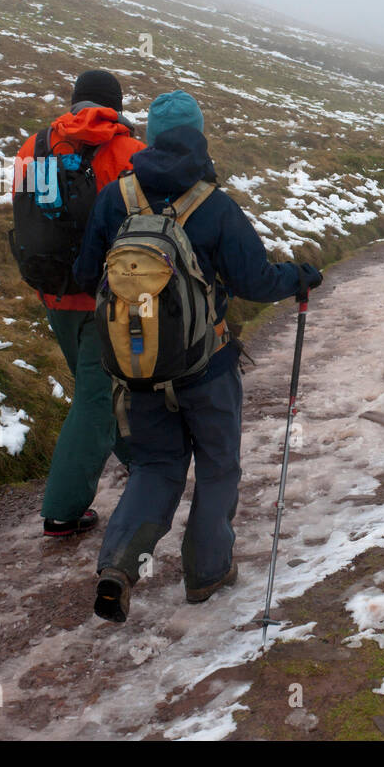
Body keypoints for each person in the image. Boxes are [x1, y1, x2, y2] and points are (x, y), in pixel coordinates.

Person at [73, 90, 323, 622]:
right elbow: (254, 280)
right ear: (198, 134)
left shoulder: (116, 198)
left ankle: (119, 564)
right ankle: (206, 574)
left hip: (136, 368)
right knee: (216, 468)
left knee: (156, 466)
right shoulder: (215, 205)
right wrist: (298, 275)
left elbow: (83, 274)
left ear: (151, 135)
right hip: (206, 367)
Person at [11, 70, 145, 537]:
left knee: (99, 389)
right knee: (95, 397)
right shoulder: (129, 152)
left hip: (52, 291)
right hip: (105, 296)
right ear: (115, 105)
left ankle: (140, 461)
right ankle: (62, 511)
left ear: (74, 100)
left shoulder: (34, 146)